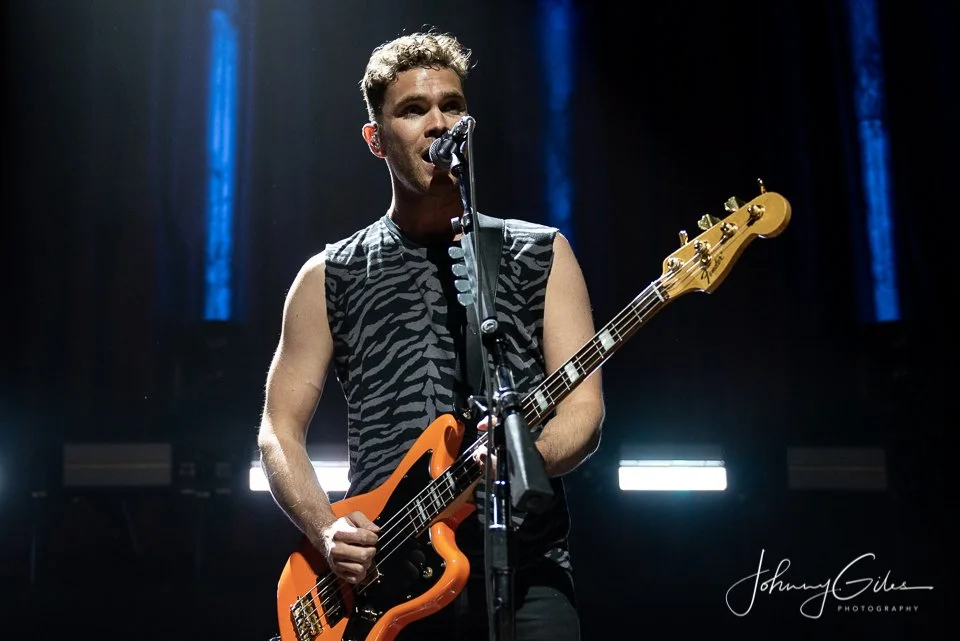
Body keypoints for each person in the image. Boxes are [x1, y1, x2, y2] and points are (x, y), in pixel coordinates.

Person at [256, 29, 604, 641]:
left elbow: (584, 413)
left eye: (452, 105)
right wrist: (327, 530)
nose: (438, 123)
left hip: (530, 570)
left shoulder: (541, 252)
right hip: (383, 583)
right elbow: (277, 429)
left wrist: (520, 460)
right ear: (376, 139)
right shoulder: (328, 275)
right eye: (414, 109)